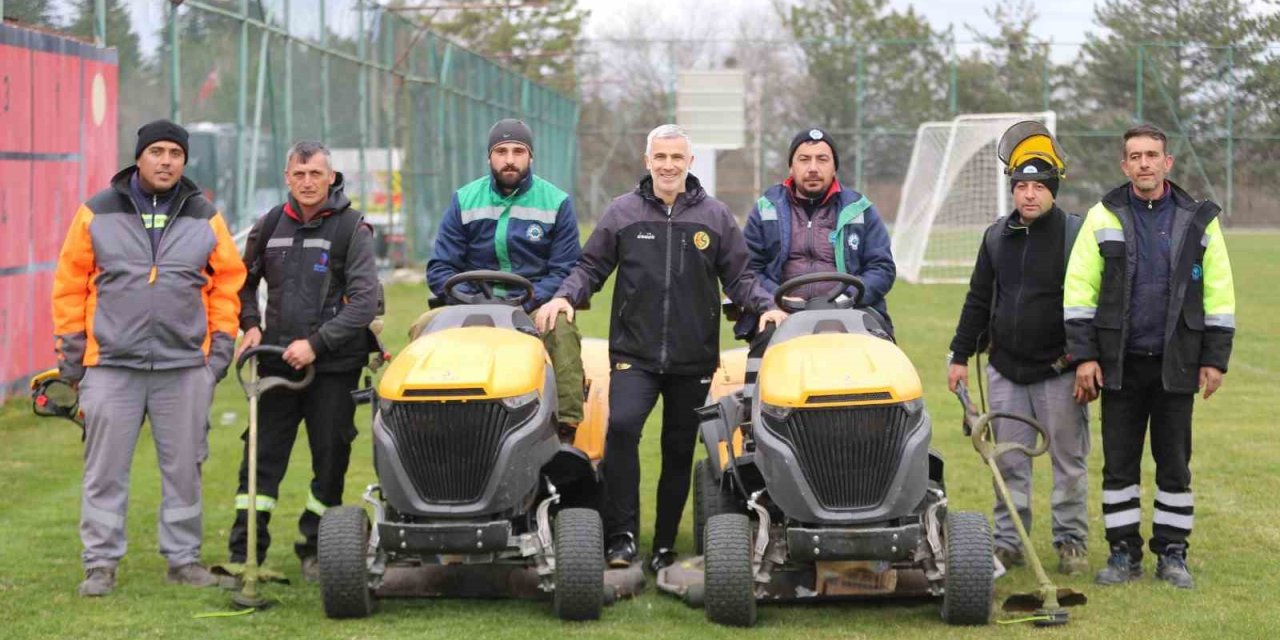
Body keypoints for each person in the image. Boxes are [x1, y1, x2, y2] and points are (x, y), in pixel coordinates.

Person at [536, 124, 787, 573]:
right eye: (660, 157)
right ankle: (622, 537)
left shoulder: (714, 216)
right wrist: (563, 297)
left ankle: (666, 545)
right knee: (622, 431)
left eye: (677, 157)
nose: (668, 165)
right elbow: (590, 267)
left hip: (693, 358)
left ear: (689, 163)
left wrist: (765, 305)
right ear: (647, 160)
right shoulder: (622, 213)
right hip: (635, 354)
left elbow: (741, 277)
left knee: (677, 450)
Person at [53, 119, 247, 596]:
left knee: (185, 470)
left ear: (185, 161)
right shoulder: (95, 212)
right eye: (157, 151)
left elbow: (228, 284)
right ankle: (100, 565)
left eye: (175, 153)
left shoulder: (205, 216)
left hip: (184, 369)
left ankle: (183, 560)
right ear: (138, 157)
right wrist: (72, 362)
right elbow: (69, 286)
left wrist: (217, 356)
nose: (166, 161)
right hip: (110, 366)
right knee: (104, 471)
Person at [1065, 124, 1236, 590]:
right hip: (1119, 363)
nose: (1143, 163)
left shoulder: (1199, 219)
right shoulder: (1103, 216)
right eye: (1135, 156)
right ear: (1124, 165)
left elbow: (1219, 292)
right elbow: (1080, 291)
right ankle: (1122, 553)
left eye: (1152, 155)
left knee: (1174, 463)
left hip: (1176, 361)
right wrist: (1085, 356)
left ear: (1168, 163)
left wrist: (1214, 358)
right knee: (1119, 464)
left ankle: (1173, 553)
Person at [226, 141, 380, 581]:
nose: (308, 182)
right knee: (259, 460)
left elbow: (365, 303)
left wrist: (316, 344)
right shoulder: (270, 224)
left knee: (329, 460)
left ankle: (314, 548)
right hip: (274, 362)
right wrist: (251, 324)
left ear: (331, 178)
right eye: (299, 174)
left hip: (332, 367)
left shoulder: (353, 230)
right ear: (287, 177)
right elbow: (240, 281)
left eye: (316, 174)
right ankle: (245, 551)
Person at [946, 122, 1090, 576]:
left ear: (1053, 190)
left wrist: (1086, 359)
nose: (1029, 195)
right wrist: (958, 356)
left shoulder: (1075, 235)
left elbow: (1095, 304)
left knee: (1068, 464)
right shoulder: (994, 238)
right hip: (1005, 371)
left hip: (1060, 371)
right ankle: (1009, 542)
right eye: (1021, 186)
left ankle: (1071, 541)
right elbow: (976, 298)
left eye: (1038, 187)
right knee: (1008, 462)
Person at [419, 118, 584, 437]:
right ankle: (424, 421)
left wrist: (528, 299)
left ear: (530, 157)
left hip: (532, 303)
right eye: (502, 151)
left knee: (560, 329)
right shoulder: (464, 200)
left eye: (518, 151)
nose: (510, 159)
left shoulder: (556, 203)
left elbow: (565, 268)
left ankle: (565, 427)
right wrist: (472, 299)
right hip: (470, 303)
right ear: (489, 157)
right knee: (423, 327)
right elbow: (440, 268)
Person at [740, 127, 895, 338]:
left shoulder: (860, 209)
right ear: (791, 167)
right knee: (762, 353)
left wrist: (847, 298)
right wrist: (777, 299)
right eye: (804, 159)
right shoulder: (766, 209)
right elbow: (749, 270)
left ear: (834, 168)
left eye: (822, 159)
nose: (813, 168)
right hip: (783, 313)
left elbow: (882, 268)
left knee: (881, 355)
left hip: (852, 311)